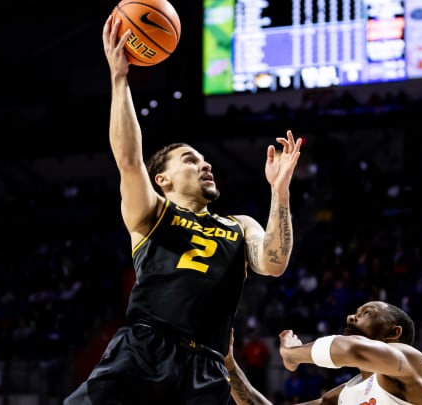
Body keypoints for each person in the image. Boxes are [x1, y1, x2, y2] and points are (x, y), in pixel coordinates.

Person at [63, 15, 303, 405]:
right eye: (190, 160)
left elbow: (274, 263)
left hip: (206, 368)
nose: (205, 164)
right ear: (163, 180)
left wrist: (280, 192)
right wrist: (119, 79)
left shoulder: (238, 225)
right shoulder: (152, 214)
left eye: (205, 160)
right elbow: (128, 159)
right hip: (144, 350)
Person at [225, 301, 422, 404]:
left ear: (393, 333)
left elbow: (351, 349)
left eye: (367, 313)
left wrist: (292, 354)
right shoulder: (345, 394)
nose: (351, 317)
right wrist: (229, 366)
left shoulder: (412, 363)